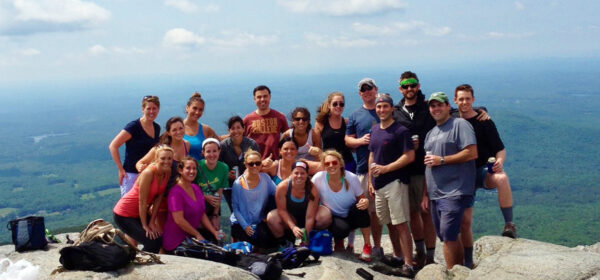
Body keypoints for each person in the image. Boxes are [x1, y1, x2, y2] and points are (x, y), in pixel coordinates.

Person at [453, 84, 517, 268]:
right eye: (461, 99)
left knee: (502, 178)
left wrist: (500, 161)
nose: (464, 102)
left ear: (473, 99)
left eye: (467, 99)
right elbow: (434, 109)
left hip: (482, 170)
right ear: (455, 100)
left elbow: (500, 149)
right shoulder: (452, 119)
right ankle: (467, 261)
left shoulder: (484, 121)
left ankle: (509, 224)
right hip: (462, 175)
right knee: (465, 223)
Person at [423, 92, 477, 269]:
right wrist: (425, 194)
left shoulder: (460, 125)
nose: (436, 108)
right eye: (433, 106)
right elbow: (428, 165)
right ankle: (461, 270)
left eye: (440, 105)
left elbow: (471, 152)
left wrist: (443, 160)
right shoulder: (430, 133)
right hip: (435, 193)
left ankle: (452, 273)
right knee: (448, 236)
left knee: (448, 236)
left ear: (448, 106)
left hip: (455, 190)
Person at [392, 71, 438, 265]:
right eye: (405, 86)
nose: (409, 89)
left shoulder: (428, 107)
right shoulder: (396, 111)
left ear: (418, 86)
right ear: (400, 89)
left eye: (412, 85)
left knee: (426, 213)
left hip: (426, 168)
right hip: (404, 170)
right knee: (412, 213)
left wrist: (480, 110)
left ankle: (430, 256)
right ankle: (419, 253)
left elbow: (453, 113)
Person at [368, 94, 416, 276]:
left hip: (396, 182)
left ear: (391, 109)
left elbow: (409, 156)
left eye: (385, 107)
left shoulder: (400, 131)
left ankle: (409, 264)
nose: (381, 110)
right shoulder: (374, 130)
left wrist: (386, 169)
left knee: (401, 223)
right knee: (388, 222)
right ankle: (398, 256)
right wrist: (371, 181)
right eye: (379, 107)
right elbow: (372, 154)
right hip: (379, 184)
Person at [345, 78, 382, 260]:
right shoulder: (355, 115)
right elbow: (348, 139)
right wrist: (360, 141)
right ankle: (362, 244)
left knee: (377, 211)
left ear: (376, 90)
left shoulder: (385, 110)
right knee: (363, 208)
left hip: (383, 169)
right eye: (363, 90)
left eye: (370, 88)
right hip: (362, 169)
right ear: (360, 94)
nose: (367, 92)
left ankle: (376, 246)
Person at [311, 150, 372, 260]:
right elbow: (310, 199)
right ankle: (338, 241)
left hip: (351, 215)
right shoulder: (318, 178)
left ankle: (367, 245)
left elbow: (362, 199)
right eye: (327, 163)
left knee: (361, 208)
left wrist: (365, 201)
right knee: (340, 229)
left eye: (334, 163)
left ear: (340, 164)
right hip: (334, 218)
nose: (331, 166)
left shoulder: (351, 177)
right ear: (323, 166)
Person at [113, 145, 174, 253]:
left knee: (158, 239)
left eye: (169, 158)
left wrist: (152, 222)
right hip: (124, 214)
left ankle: (146, 261)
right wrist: (145, 225)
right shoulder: (148, 173)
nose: (166, 161)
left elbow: (159, 199)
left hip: (138, 213)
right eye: (163, 158)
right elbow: (142, 201)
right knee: (151, 241)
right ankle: (140, 264)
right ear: (156, 159)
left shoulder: (167, 171)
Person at [162, 157, 221, 252]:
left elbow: (202, 214)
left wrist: (214, 232)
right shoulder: (175, 192)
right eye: (188, 168)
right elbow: (179, 220)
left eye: (194, 168)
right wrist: (197, 234)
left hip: (191, 238)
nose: (192, 171)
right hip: (176, 242)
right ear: (180, 170)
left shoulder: (196, 188)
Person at [109, 95, 161, 197]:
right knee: (128, 209)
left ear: (158, 109)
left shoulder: (156, 127)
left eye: (154, 108)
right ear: (143, 109)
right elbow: (113, 146)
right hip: (131, 175)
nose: (151, 111)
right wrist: (120, 169)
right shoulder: (133, 127)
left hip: (148, 174)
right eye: (148, 108)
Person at [230, 149, 277, 248]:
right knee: (250, 246)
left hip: (259, 222)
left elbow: (277, 193)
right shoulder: (238, 184)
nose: (255, 166)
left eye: (257, 163)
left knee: (268, 244)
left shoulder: (265, 178)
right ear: (246, 165)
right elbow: (235, 208)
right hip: (241, 223)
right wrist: (245, 226)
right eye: (251, 164)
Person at [266, 161, 320, 245]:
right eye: (296, 173)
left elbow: (310, 217)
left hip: (306, 218)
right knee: (271, 217)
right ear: (291, 174)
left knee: (325, 217)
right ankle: (283, 243)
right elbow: (282, 210)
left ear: (307, 175)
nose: (299, 176)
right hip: (290, 218)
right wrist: (293, 227)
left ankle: (314, 238)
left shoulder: (312, 189)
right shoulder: (283, 187)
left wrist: (306, 239)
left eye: (302, 173)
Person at [219, 116, 260, 210]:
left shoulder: (251, 144)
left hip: (249, 184)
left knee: (249, 209)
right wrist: (226, 173)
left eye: (238, 127)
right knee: (234, 210)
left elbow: (258, 163)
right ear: (229, 130)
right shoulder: (223, 146)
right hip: (230, 186)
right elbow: (218, 165)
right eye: (233, 128)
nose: (236, 131)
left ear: (243, 129)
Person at [314, 92, 356, 172]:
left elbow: (352, 147)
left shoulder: (347, 123)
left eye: (341, 104)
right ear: (329, 105)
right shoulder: (320, 123)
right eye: (335, 104)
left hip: (347, 164)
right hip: (329, 165)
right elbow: (318, 147)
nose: (338, 106)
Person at [243, 85, 289, 159]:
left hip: (275, 162)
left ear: (269, 97)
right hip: (254, 164)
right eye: (259, 97)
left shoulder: (280, 117)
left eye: (265, 96)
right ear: (254, 99)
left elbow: (287, 137)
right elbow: (238, 140)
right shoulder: (247, 120)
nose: (262, 99)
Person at [194, 138, 229, 231]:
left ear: (219, 151)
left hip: (214, 205)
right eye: (208, 151)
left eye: (214, 151)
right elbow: (191, 189)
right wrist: (205, 197)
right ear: (203, 153)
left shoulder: (224, 168)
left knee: (222, 225)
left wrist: (215, 215)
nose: (212, 155)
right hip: (199, 204)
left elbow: (220, 192)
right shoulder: (197, 166)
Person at [183, 93, 219, 161]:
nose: (197, 112)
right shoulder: (176, 128)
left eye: (200, 110)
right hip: (182, 170)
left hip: (201, 170)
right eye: (194, 108)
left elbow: (219, 144)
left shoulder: (206, 129)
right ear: (187, 108)